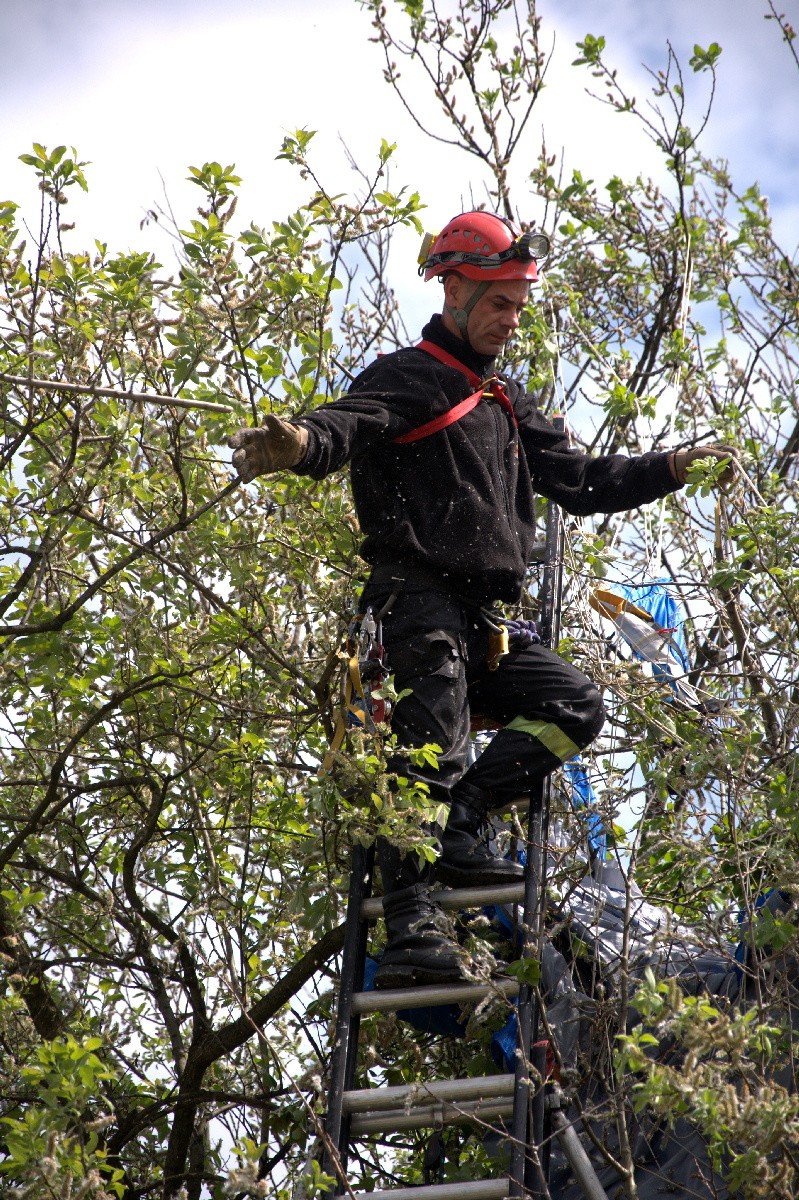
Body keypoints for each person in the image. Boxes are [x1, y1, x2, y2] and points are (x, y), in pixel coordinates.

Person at [228, 211, 735, 990]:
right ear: (454, 291)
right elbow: (343, 427)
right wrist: (297, 445)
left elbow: (581, 482)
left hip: (485, 623)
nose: (510, 319)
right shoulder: (409, 376)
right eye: (499, 303)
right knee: (426, 752)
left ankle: (459, 827)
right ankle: (411, 929)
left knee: (572, 705)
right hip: (416, 604)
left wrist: (671, 467)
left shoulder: (501, 401)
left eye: (518, 306)